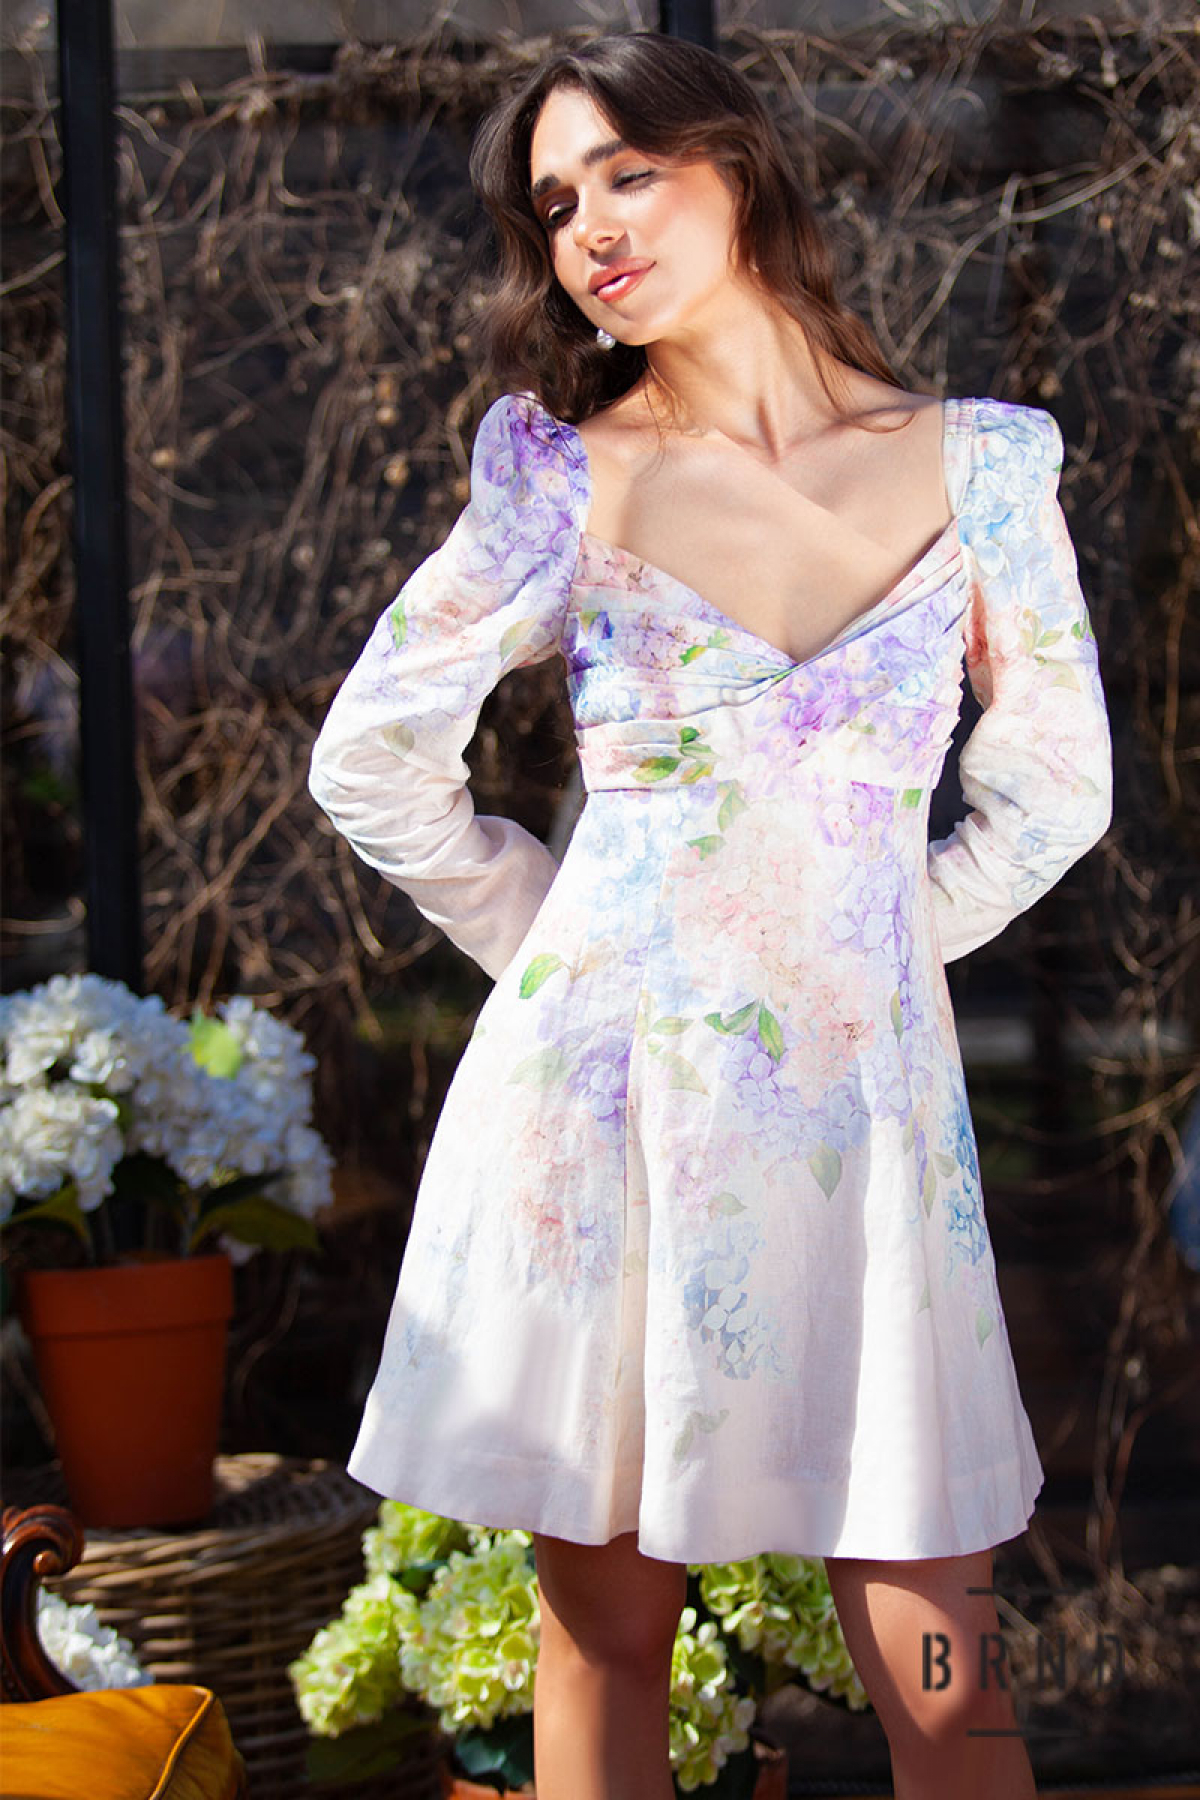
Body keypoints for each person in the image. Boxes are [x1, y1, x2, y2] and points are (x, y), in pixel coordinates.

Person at [308, 31, 1113, 1800]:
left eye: (629, 173)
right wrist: (567, 948)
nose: (590, 227)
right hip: (610, 1114)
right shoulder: (561, 476)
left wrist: (859, 954)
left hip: (867, 1136)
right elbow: (370, 759)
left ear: (735, 167)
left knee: (944, 1664)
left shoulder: (983, 468)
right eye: (554, 205)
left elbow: (1057, 792)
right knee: (606, 1636)